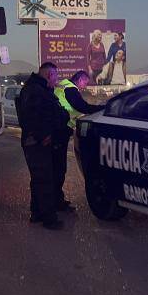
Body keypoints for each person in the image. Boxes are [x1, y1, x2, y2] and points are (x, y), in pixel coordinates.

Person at [16, 62, 69, 230]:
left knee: (39, 180)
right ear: (49, 75)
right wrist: (43, 136)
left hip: (36, 141)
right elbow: (35, 117)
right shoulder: (37, 92)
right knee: (44, 180)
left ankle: (37, 213)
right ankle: (48, 219)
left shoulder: (36, 89)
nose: (57, 79)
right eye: (55, 76)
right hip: (37, 143)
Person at [53, 71, 105, 211]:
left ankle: (54, 200)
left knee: (55, 169)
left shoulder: (62, 85)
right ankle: (55, 202)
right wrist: (102, 109)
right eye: (85, 82)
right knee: (58, 169)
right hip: (60, 130)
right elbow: (82, 107)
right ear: (80, 79)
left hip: (57, 128)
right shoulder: (71, 89)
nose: (84, 86)